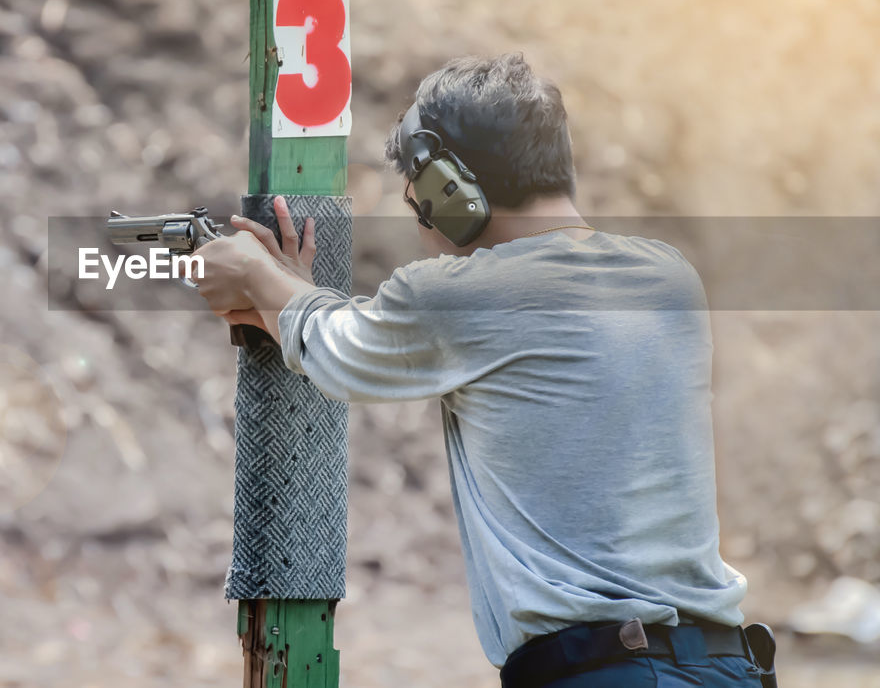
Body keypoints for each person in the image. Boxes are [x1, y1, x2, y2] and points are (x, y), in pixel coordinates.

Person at [194, 53, 775, 687]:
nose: (424, 233)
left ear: (452, 189)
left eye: (422, 210)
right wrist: (293, 293)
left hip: (606, 674)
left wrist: (255, 272)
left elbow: (340, 350)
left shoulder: (463, 297)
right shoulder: (668, 276)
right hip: (729, 668)